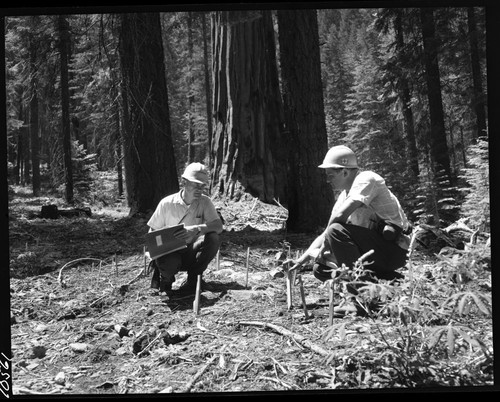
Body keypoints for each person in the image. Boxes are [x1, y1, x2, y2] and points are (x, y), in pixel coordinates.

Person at [289, 145, 411, 284]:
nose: (328, 181)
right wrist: (301, 261)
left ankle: (362, 294)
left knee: (335, 230)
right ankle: (390, 282)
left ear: (345, 172)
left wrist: (326, 244)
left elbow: (337, 221)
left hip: (393, 251)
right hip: (373, 251)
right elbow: (325, 233)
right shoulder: (343, 196)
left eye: (331, 175)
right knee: (320, 269)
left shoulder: (367, 179)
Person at [147, 162, 223, 296]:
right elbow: (152, 235)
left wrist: (197, 229)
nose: (199, 189)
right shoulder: (167, 203)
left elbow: (218, 226)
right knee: (169, 261)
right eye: (195, 184)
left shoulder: (205, 202)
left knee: (213, 238)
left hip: (190, 252)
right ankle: (166, 281)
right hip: (170, 254)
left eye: (202, 185)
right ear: (184, 182)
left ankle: (194, 279)